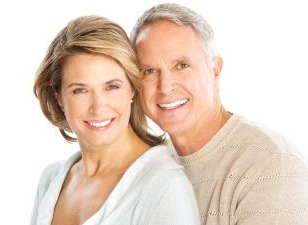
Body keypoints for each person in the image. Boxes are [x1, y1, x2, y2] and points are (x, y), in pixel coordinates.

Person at [131, 3, 308, 225]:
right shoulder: (149, 169)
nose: (165, 86)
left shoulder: (272, 166)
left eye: (182, 65)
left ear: (215, 71)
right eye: (149, 71)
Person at [30, 15, 200, 225]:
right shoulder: (51, 180)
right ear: (59, 98)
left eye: (112, 87)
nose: (98, 107)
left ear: (132, 87)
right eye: (80, 90)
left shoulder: (163, 186)